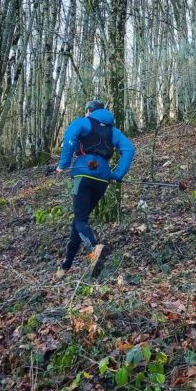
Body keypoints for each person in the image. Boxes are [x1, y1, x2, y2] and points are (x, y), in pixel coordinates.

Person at [53, 98, 134, 278]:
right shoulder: (113, 131)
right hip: (102, 178)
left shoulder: (83, 122)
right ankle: (66, 265)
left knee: (80, 220)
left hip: (83, 173)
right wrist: (117, 174)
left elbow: (69, 138)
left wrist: (63, 164)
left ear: (89, 111)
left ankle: (94, 248)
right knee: (79, 220)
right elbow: (128, 149)